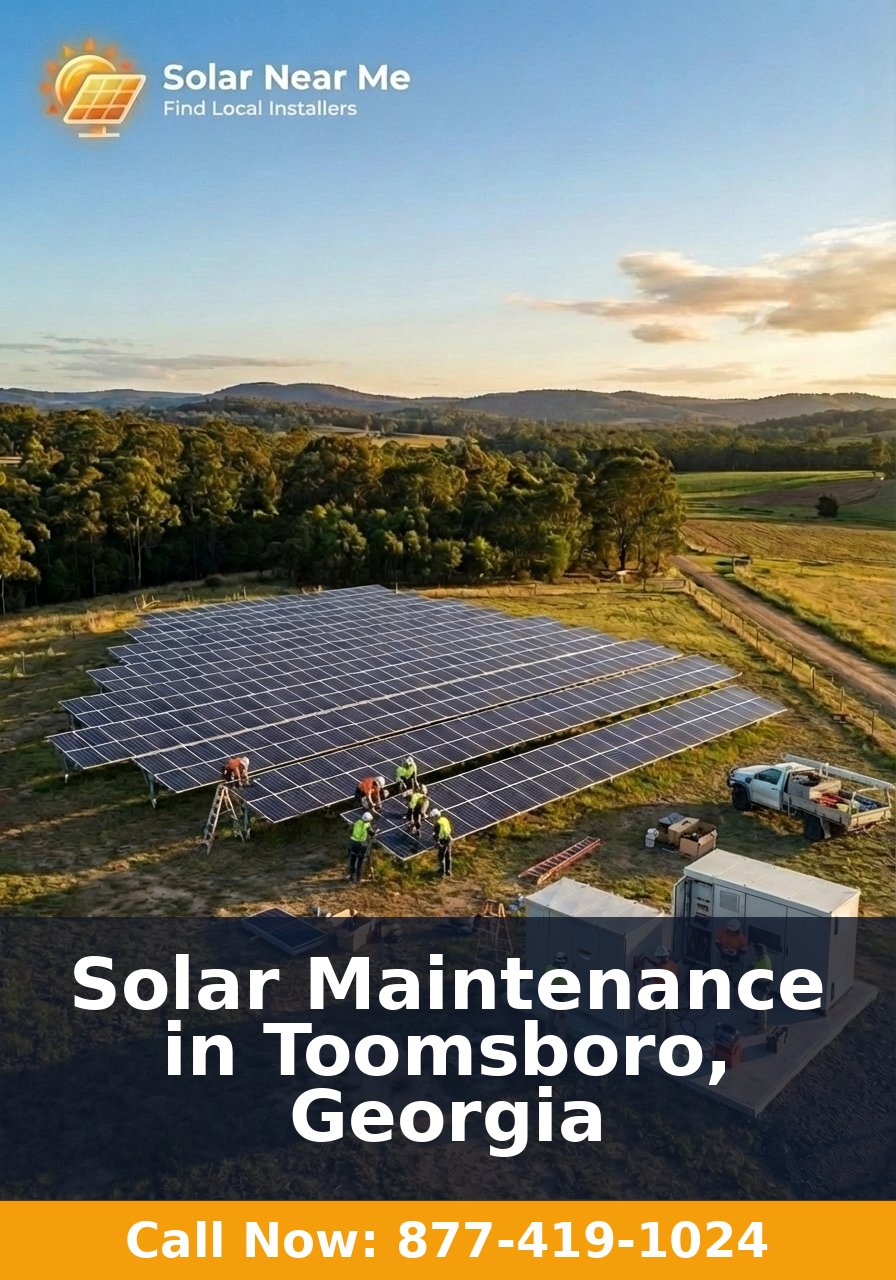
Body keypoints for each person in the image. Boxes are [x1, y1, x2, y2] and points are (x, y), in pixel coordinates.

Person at [650, 945, 679, 1041]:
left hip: (661, 994)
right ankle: (670, 1033)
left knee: (661, 1017)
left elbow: (652, 978)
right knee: (669, 1014)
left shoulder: (659, 970)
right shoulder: (672, 964)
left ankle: (660, 1037)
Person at [751, 943, 774, 1033]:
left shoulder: (763, 961)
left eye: (756, 951)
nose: (755, 953)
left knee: (761, 1008)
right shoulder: (765, 958)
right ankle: (757, 1020)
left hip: (761, 986)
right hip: (760, 985)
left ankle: (762, 1028)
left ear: (759, 951)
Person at [347, 812, 374, 884]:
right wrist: (375, 832)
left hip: (352, 843)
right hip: (361, 844)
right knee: (360, 862)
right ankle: (358, 879)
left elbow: (351, 830)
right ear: (368, 820)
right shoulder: (367, 825)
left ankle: (351, 877)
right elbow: (371, 833)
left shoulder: (357, 822)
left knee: (352, 860)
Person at [430, 809, 453, 877]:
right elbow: (449, 828)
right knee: (448, 856)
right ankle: (448, 871)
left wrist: (437, 843)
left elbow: (436, 835)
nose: (432, 819)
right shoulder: (444, 819)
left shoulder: (437, 824)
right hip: (449, 839)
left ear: (436, 816)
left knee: (441, 856)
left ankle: (442, 872)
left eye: (432, 818)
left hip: (443, 841)